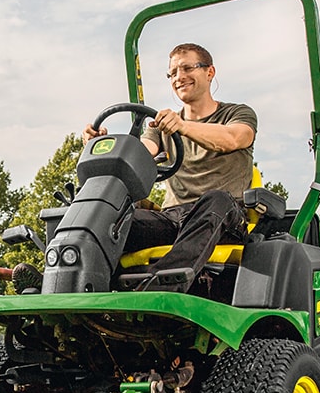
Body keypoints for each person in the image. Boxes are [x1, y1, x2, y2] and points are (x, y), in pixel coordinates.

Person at [91, 42, 257, 292]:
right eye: (173, 73)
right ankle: (71, 276)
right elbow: (139, 154)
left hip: (224, 218)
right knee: (107, 216)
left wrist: (182, 126)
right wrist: (100, 144)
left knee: (216, 200)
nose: (179, 77)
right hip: (172, 219)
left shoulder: (237, 113)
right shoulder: (160, 126)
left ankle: (160, 284)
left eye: (187, 68)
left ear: (209, 72)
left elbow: (235, 138)